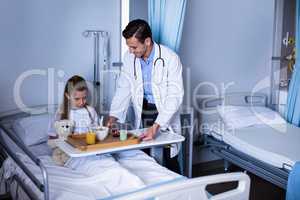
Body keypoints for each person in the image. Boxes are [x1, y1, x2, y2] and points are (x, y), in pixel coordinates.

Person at [106, 19, 184, 172]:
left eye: (134, 47)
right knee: (144, 153)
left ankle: (177, 189)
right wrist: (113, 116)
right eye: (129, 47)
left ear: (147, 41)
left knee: (169, 154)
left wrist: (157, 125)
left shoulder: (170, 58)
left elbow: (174, 95)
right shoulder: (129, 58)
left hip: (164, 111)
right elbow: (124, 87)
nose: (130, 51)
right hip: (143, 109)